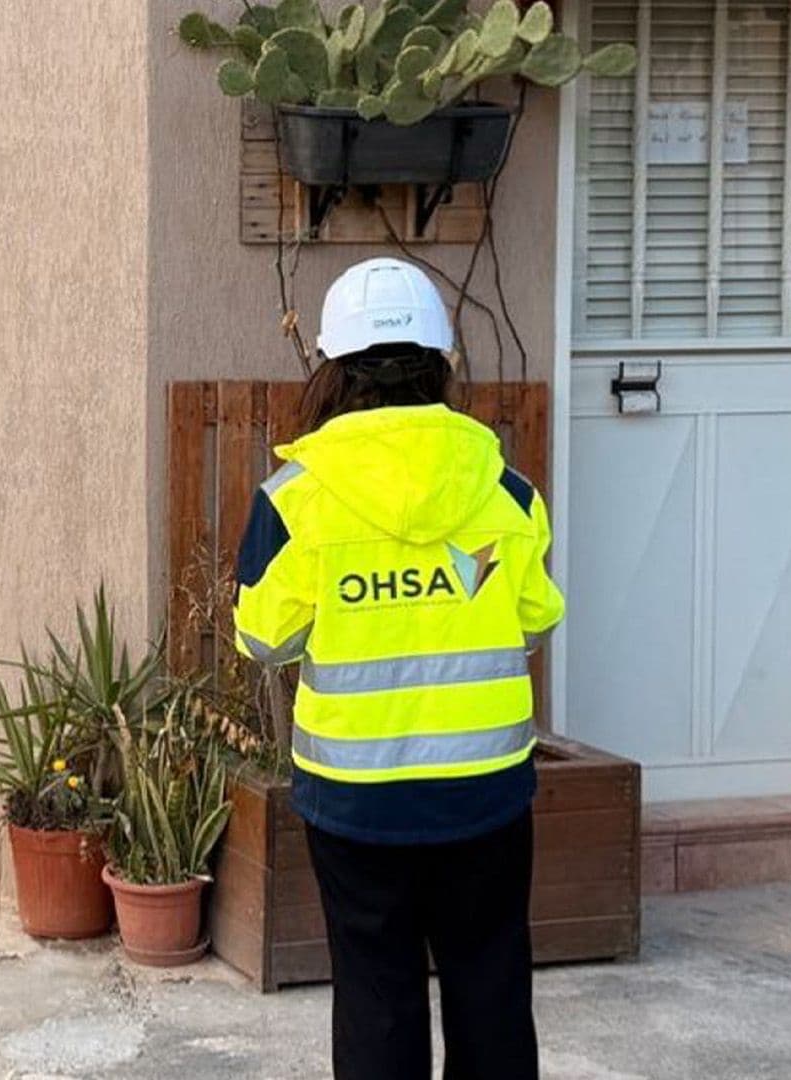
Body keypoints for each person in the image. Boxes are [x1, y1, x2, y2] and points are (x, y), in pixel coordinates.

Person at [233, 257, 565, 1080]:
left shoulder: (295, 498)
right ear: (442, 361)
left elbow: (264, 638)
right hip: (485, 792)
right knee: (490, 987)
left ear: (330, 367)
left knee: (376, 996)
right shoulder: (506, 491)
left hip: (356, 799)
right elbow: (533, 620)